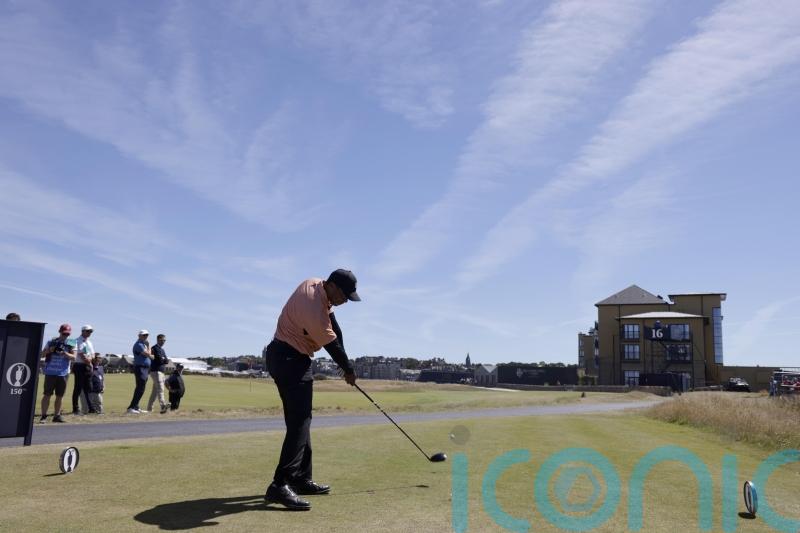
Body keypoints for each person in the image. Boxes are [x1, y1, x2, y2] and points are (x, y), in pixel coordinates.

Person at [263, 269, 360, 511]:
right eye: (344, 296)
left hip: (287, 356)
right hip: (290, 359)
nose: (345, 301)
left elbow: (336, 329)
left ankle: (300, 478)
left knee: (301, 421)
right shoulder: (312, 307)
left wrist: (346, 364)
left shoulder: (316, 285)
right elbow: (332, 345)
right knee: (299, 422)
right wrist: (348, 369)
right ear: (333, 286)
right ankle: (280, 484)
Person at [39, 324, 76, 423]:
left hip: (63, 373)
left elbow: (74, 357)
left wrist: (64, 353)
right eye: (64, 333)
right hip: (50, 372)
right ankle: (43, 416)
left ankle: (57, 416)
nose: (65, 336)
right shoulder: (51, 342)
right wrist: (50, 350)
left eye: (67, 334)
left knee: (60, 395)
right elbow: (42, 354)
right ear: (59, 332)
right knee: (47, 394)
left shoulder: (71, 343)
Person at [72, 325, 96, 415]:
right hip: (79, 365)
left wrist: (90, 360)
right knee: (78, 387)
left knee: (88, 388)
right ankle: (75, 409)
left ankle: (91, 408)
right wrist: (88, 361)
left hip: (87, 366)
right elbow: (81, 354)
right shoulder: (76, 341)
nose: (89, 333)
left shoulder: (89, 342)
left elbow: (93, 354)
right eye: (88, 331)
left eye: (90, 331)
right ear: (82, 331)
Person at [127, 330, 152, 414]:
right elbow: (148, 354)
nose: (146, 337)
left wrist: (147, 346)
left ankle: (136, 407)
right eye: (144, 335)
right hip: (140, 368)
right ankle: (131, 407)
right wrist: (149, 346)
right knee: (140, 388)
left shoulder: (143, 344)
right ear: (139, 336)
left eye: (147, 335)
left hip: (145, 369)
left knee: (141, 388)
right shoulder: (139, 345)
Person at [147, 334, 170, 414]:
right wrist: (163, 359)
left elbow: (166, 361)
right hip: (156, 371)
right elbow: (159, 360)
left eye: (164, 340)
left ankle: (149, 409)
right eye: (161, 340)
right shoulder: (154, 348)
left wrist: (163, 359)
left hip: (161, 372)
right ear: (157, 340)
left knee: (155, 392)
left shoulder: (162, 350)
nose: (163, 342)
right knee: (161, 388)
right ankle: (163, 406)